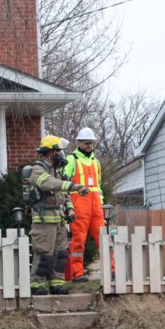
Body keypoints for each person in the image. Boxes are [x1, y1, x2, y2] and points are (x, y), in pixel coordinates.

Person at [22, 135, 90, 296]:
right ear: (49, 152)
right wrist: (75, 185)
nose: (60, 154)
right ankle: (37, 285)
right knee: (44, 253)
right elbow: (51, 184)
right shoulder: (38, 169)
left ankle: (57, 283)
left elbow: (64, 193)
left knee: (60, 254)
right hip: (44, 219)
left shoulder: (56, 170)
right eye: (58, 151)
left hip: (59, 218)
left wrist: (70, 209)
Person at [63, 127, 106, 282]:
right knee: (79, 240)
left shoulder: (96, 162)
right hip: (79, 207)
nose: (89, 145)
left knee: (104, 239)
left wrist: (101, 207)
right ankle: (77, 273)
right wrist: (68, 207)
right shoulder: (71, 160)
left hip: (96, 208)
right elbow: (64, 184)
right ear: (79, 143)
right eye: (86, 143)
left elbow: (98, 187)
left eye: (91, 143)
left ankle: (111, 271)